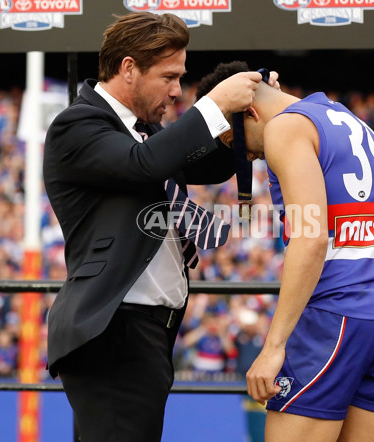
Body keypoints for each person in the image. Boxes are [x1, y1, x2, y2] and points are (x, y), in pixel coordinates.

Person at [42, 13, 278, 442]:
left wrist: (252, 120)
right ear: (128, 68)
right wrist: (214, 104)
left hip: (143, 329)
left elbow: (203, 161)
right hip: (114, 328)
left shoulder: (145, 130)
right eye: (169, 76)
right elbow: (145, 164)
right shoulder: (77, 125)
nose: (176, 90)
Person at [196, 61, 374, 441]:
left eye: (235, 142)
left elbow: (310, 239)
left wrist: (273, 346)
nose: (245, 158)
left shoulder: (285, 127)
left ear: (250, 111)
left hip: (333, 319)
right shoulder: (355, 123)